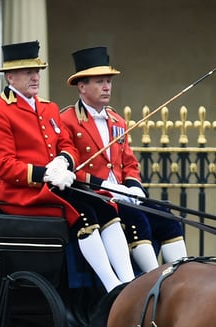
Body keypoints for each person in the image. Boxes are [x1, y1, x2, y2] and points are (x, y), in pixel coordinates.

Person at [0, 40, 135, 292]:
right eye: (28, 72)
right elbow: (3, 166)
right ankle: (112, 287)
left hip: (56, 187)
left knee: (105, 206)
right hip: (23, 196)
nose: (35, 77)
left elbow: (67, 145)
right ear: (10, 77)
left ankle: (129, 283)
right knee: (84, 213)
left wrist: (63, 162)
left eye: (37, 71)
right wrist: (46, 174)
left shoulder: (48, 107)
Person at [60, 46, 188, 273]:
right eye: (100, 81)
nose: (107, 87)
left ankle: (182, 276)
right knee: (137, 220)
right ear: (82, 86)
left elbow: (129, 163)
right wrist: (107, 187)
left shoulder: (117, 121)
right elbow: (70, 167)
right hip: (95, 197)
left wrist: (134, 187)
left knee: (167, 218)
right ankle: (155, 278)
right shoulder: (67, 120)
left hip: (124, 195)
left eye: (109, 81)